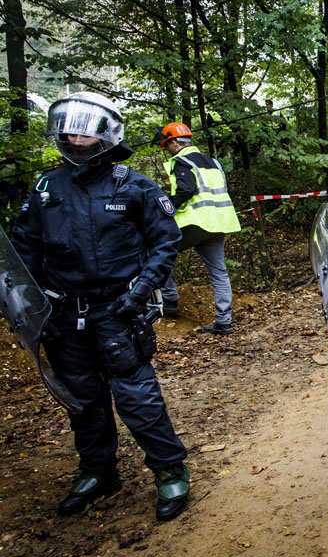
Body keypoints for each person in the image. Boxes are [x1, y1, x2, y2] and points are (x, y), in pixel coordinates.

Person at [10, 92, 191, 521]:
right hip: (62, 314)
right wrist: (30, 308)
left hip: (119, 310)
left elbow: (166, 242)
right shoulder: (45, 189)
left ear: (105, 134)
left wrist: (142, 290)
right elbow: (23, 250)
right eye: (69, 126)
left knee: (137, 395)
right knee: (82, 398)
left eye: (84, 127)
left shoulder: (134, 186)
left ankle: (168, 469)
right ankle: (97, 471)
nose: (75, 134)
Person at [157, 122, 241, 335]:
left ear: (175, 143)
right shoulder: (213, 162)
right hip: (219, 221)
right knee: (219, 272)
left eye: (167, 145)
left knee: (160, 252)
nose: (168, 150)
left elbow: (186, 189)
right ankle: (224, 322)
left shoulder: (181, 161)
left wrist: (166, 207)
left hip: (195, 222)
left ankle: (169, 301)